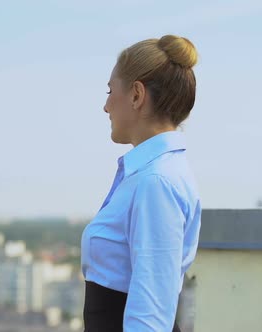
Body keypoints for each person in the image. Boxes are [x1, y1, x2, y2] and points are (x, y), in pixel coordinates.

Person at [81, 35, 202, 332]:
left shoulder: (156, 182)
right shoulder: (151, 174)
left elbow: (151, 314)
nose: (106, 107)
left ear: (136, 95)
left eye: (111, 91)